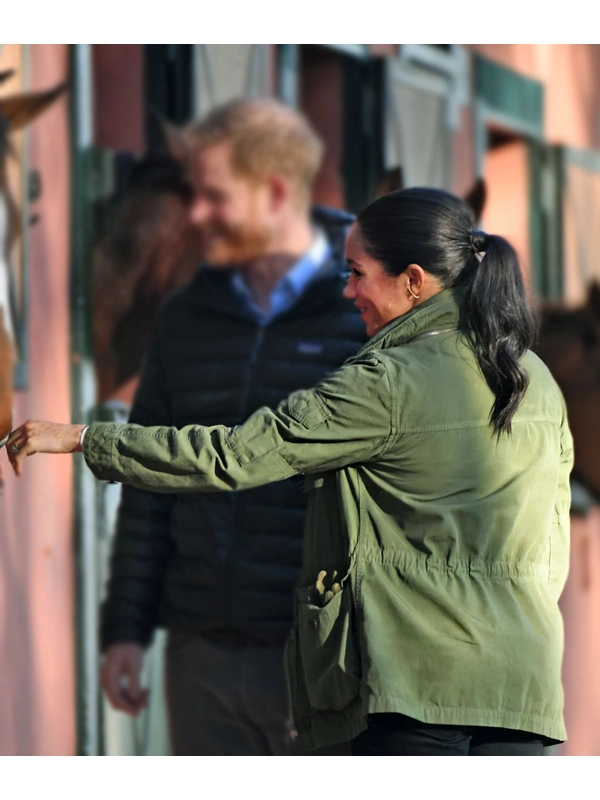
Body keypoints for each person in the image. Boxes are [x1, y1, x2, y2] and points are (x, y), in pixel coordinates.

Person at [7, 187, 573, 756]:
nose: (348, 291)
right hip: (524, 685)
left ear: (413, 280)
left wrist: (85, 438)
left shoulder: (384, 382)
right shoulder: (536, 378)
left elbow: (232, 456)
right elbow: (554, 535)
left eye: (356, 273)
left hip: (414, 688)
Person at [94, 98, 368, 756]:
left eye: (214, 196)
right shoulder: (182, 316)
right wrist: (125, 628)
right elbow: (148, 482)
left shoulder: (365, 312)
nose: (195, 215)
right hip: (202, 660)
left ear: (275, 192)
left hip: (323, 660)